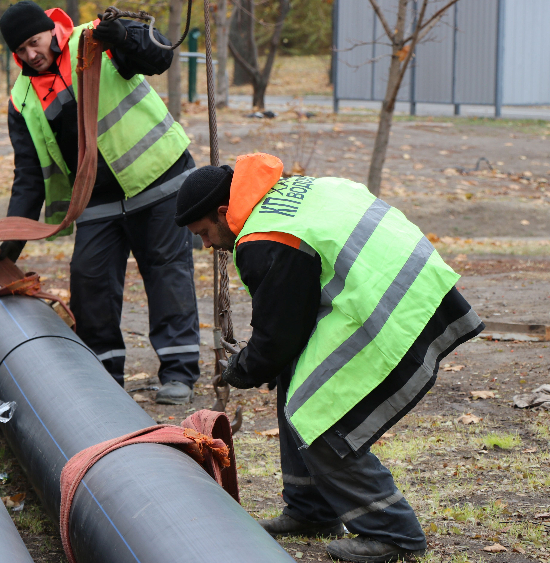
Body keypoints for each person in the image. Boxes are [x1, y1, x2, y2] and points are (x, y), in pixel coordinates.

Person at [174, 153, 484, 563]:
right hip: (405, 284)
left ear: (221, 211)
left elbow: (278, 334)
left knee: (319, 412)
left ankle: (394, 533)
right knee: (295, 378)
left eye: (205, 232)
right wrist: (265, 362)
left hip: (391, 306)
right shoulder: (277, 194)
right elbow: (291, 326)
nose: (207, 245)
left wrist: (242, 369)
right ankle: (312, 511)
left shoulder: (263, 239)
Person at [0, 1, 200, 404]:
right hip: (94, 199)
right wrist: (9, 247)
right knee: (89, 281)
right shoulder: (21, 100)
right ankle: (105, 375)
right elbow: (29, 177)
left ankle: (179, 373)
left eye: (34, 42)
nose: (31, 55)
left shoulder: (95, 39)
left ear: (50, 31)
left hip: (157, 179)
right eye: (20, 50)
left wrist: (124, 37)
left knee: (166, 272)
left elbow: (159, 57)